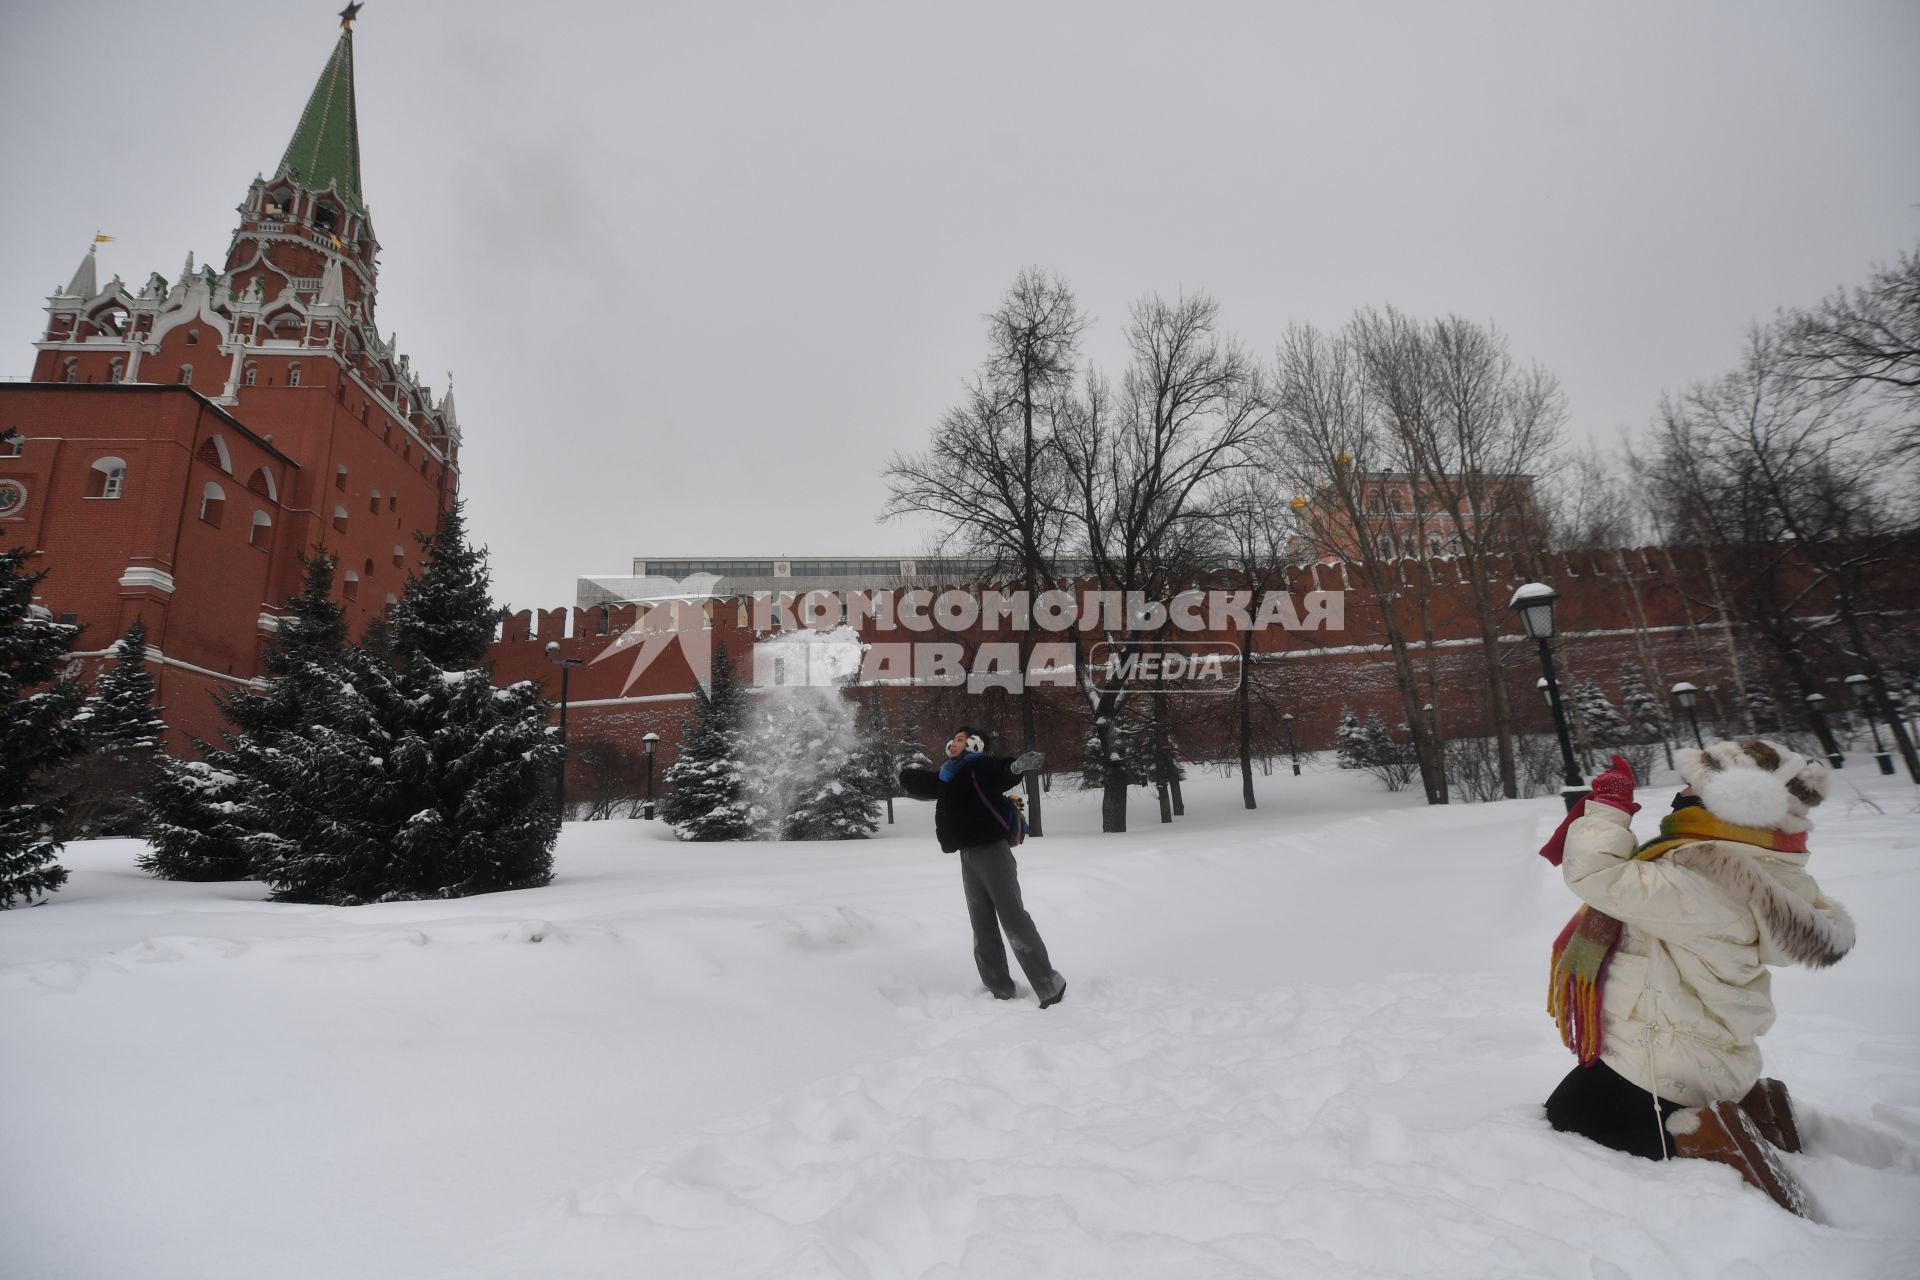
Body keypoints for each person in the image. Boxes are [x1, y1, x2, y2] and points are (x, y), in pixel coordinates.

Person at [1537, 741, 1854, 1216]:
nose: (1678, 794)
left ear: (1732, 801)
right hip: (1697, 1045)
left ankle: (1714, 1147)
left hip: (1662, 1063)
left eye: (1692, 785)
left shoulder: (1707, 878)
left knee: (1563, 1126)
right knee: (1569, 1110)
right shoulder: (1760, 869)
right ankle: (1745, 1110)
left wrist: (1607, 809)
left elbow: (1597, 874)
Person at [901, 726, 1066, 1008]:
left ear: (974, 746)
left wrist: (1015, 767)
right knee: (982, 925)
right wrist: (904, 775)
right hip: (968, 856)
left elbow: (1001, 772)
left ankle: (1048, 984)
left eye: (961, 739)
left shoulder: (979, 767)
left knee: (1013, 918)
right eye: (953, 738)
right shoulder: (948, 776)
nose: (954, 742)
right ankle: (999, 987)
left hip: (992, 852)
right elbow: (922, 784)